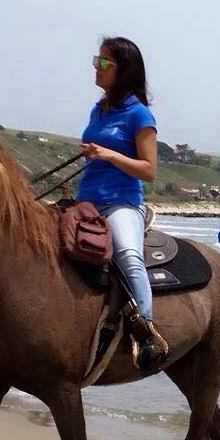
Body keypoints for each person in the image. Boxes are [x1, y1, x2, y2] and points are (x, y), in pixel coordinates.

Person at [77, 36, 166, 370]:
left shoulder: (139, 115)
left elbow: (150, 170)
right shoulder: (98, 109)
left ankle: (146, 332)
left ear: (123, 70)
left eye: (103, 63)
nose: (95, 68)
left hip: (121, 204)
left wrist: (108, 153)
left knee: (129, 255)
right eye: (95, 61)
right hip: (86, 201)